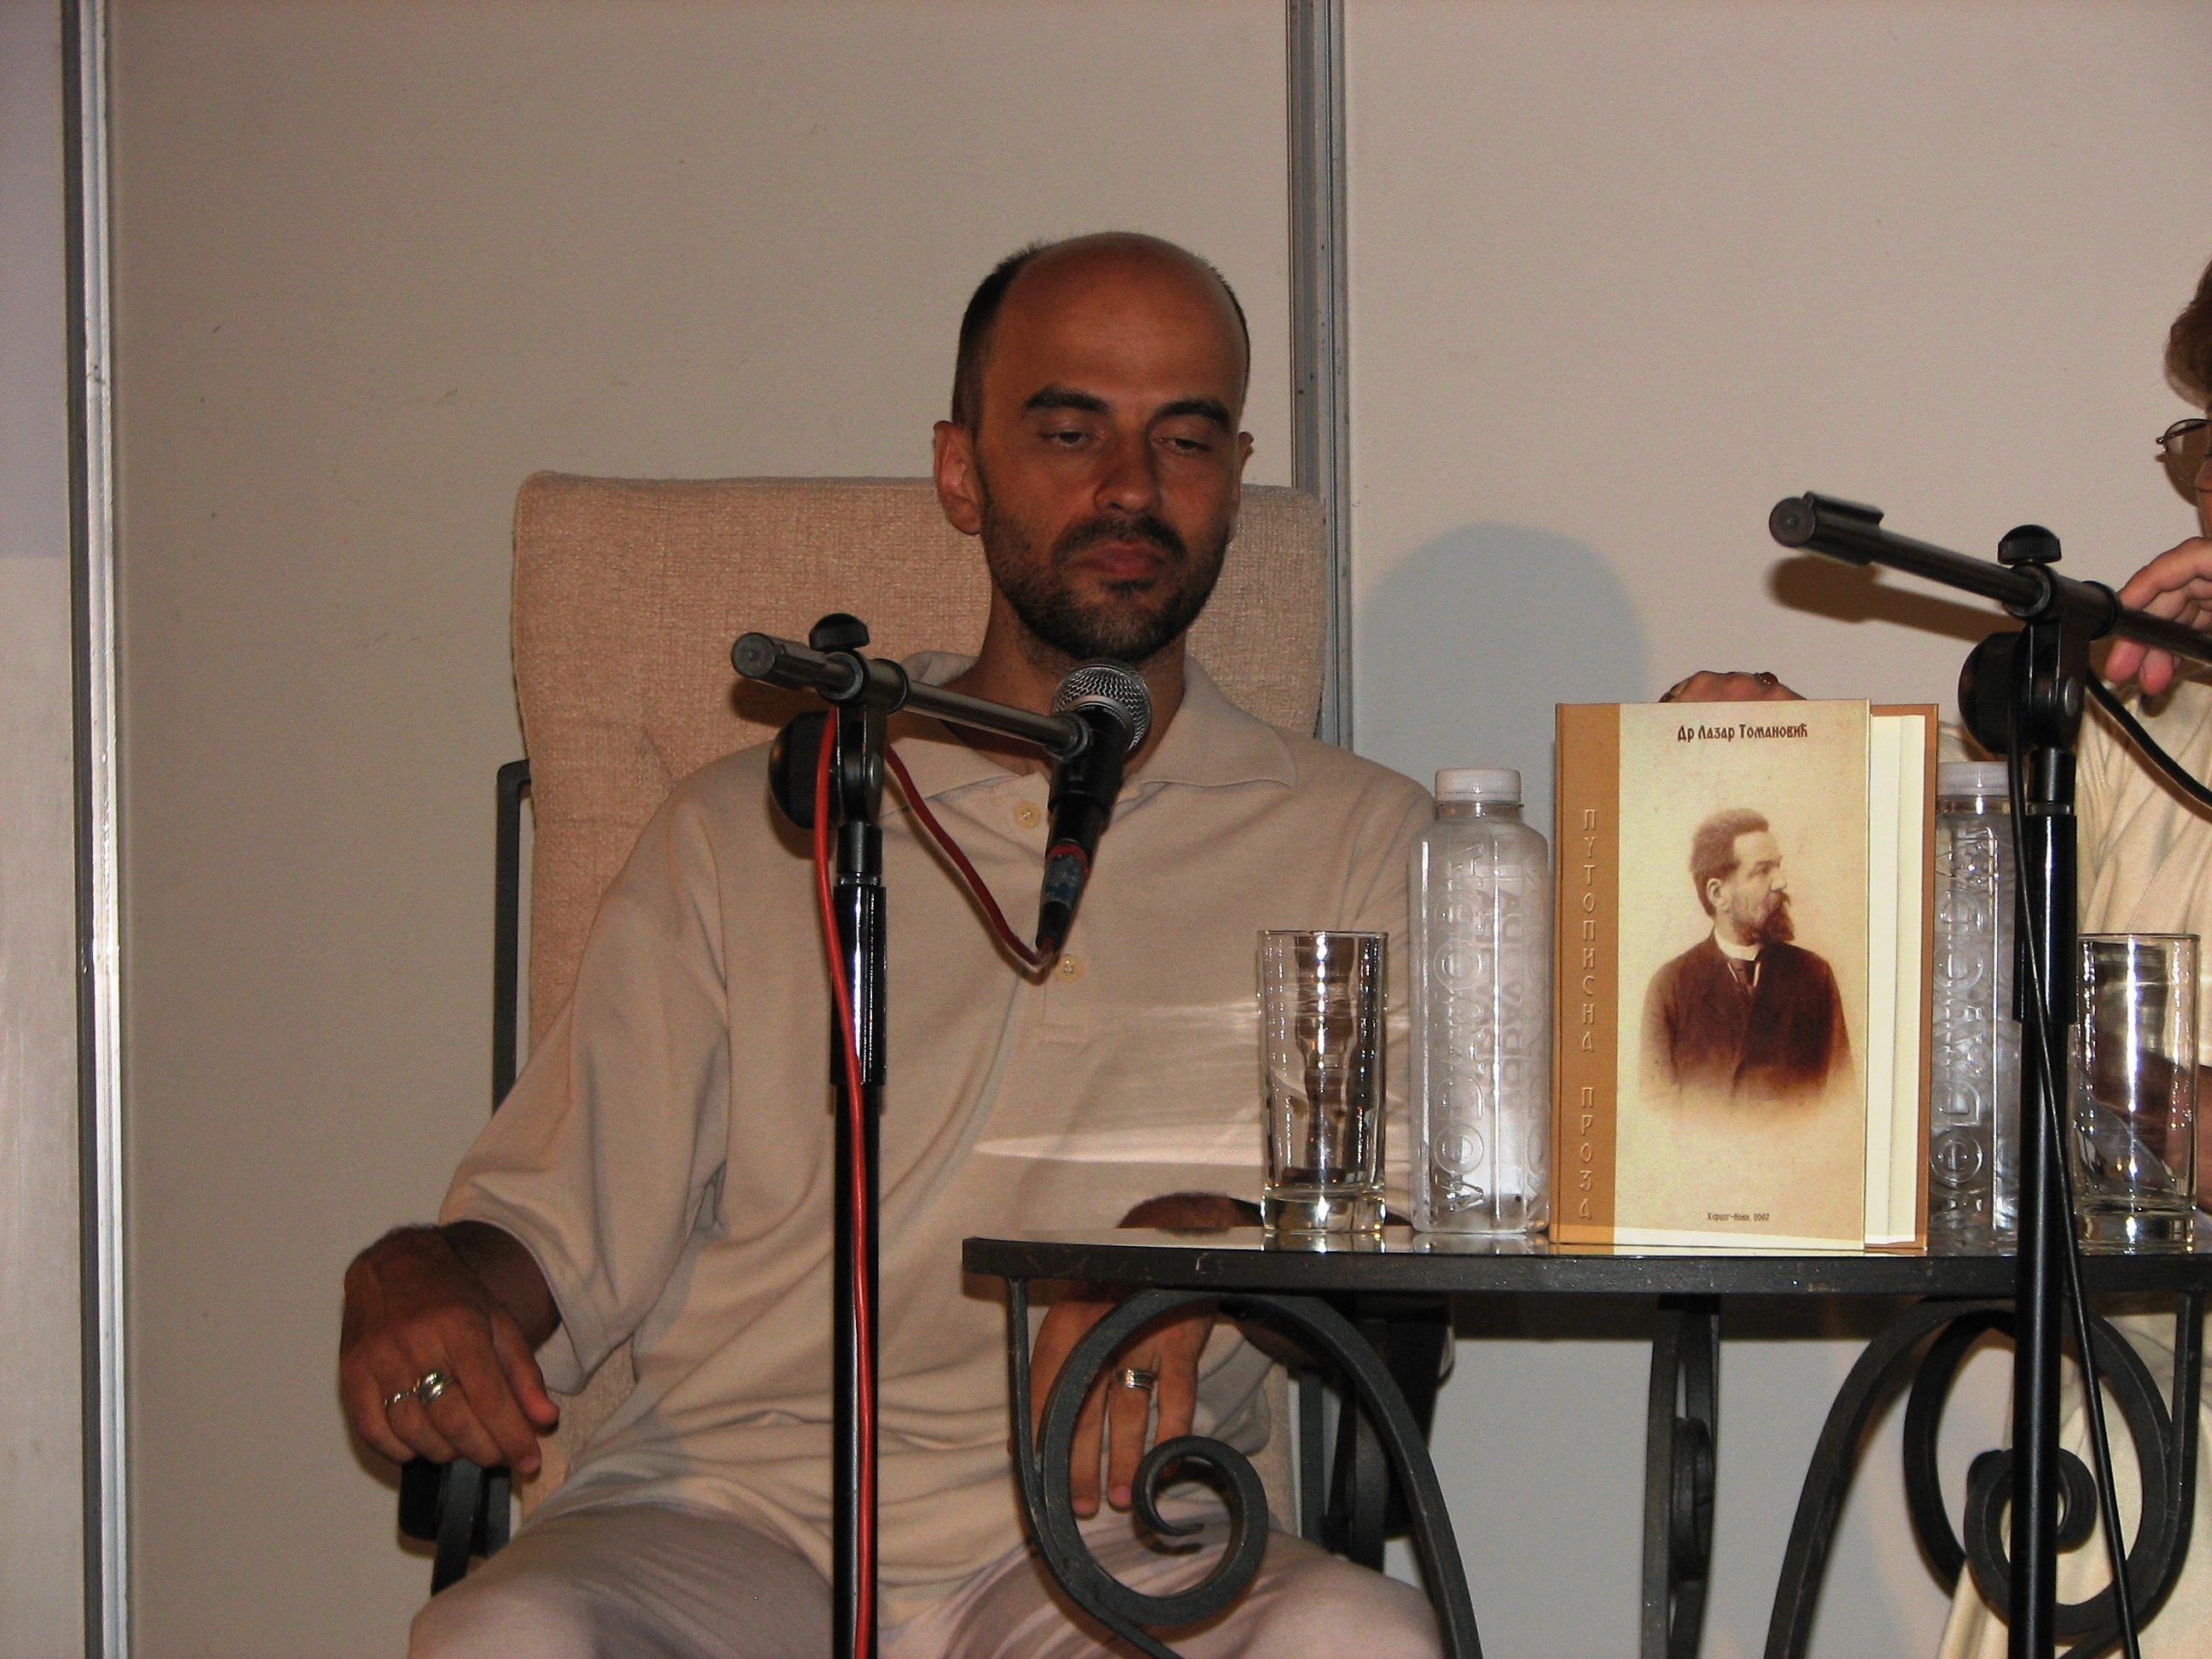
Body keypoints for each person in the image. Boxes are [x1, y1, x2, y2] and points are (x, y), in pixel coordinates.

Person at [338, 232, 1441, 1656]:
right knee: (509, 1634)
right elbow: (553, 1228)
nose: (1130, 485)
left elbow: (1407, 1233)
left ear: (1232, 473)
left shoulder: (1361, 839)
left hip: (1125, 1526)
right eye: (1069, 430)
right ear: (960, 471)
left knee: (1361, 1635)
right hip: (731, 1517)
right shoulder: (752, 821)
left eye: (1184, 437)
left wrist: (1201, 1240)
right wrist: (415, 1277)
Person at [1671, 255, 2212, 1652]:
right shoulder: (2149, 720)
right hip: (2142, 1415)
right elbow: (1972, 1023)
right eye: (2210, 447)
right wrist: (1782, 771)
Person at [1640, 807, 1850, 1103]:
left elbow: (1842, 1102)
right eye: (1762, 871)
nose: (1780, 882)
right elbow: (1658, 1108)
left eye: (1778, 867)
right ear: (1718, 894)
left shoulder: (1815, 977)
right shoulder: (1670, 987)